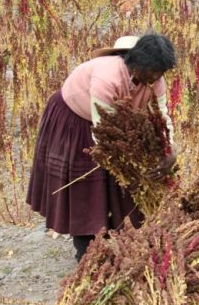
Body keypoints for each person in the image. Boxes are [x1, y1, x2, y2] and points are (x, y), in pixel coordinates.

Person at [26, 33, 178, 262]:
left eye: (160, 73)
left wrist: (169, 149)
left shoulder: (154, 79)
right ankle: (86, 254)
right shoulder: (108, 78)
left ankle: (122, 244)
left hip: (112, 125)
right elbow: (103, 132)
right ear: (137, 64)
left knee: (123, 190)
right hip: (75, 120)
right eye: (152, 73)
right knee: (85, 189)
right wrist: (131, 170)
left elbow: (161, 115)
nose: (155, 78)